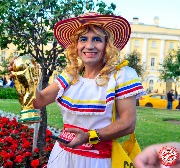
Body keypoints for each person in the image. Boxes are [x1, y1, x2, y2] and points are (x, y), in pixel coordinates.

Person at [9, 12, 145, 168]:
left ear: (107, 45)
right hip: (62, 156)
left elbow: (128, 123)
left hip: (96, 161)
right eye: (83, 39)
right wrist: (22, 79)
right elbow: (38, 101)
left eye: (97, 39)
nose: (89, 45)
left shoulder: (121, 75)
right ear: (76, 46)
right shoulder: (70, 75)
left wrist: (89, 136)